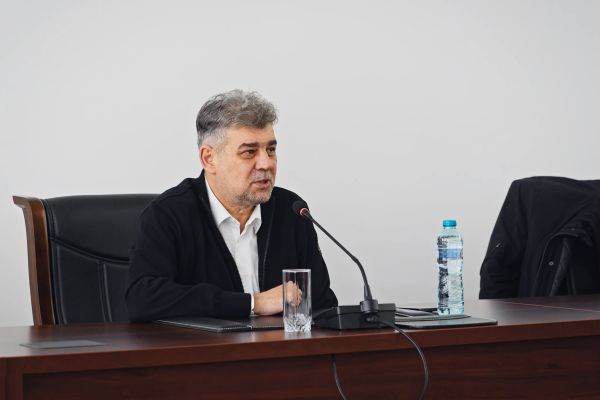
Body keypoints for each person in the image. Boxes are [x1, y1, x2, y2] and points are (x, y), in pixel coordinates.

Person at [126, 89, 338, 321]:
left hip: (278, 344)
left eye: (271, 150)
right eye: (249, 152)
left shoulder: (292, 210)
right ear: (209, 159)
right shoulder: (168, 215)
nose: (266, 163)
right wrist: (254, 303)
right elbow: (142, 299)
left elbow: (323, 303)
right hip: (205, 345)